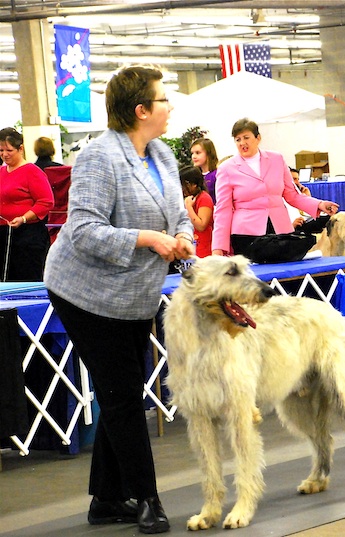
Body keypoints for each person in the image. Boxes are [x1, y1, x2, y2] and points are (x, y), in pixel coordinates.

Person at [43, 66, 194, 534]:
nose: (170, 106)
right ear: (141, 110)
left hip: (133, 293)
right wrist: (148, 238)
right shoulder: (97, 158)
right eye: (163, 99)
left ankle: (106, 500)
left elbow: (179, 215)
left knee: (121, 392)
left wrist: (182, 237)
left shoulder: (164, 156)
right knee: (125, 395)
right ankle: (147, 498)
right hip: (85, 291)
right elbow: (84, 231)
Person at [211, 118, 338, 257]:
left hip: (280, 230)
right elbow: (223, 210)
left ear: (258, 138)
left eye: (246, 138)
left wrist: (319, 204)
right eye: (238, 139)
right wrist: (218, 247)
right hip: (246, 234)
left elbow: (292, 194)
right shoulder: (226, 168)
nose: (242, 143)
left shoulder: (277, 159)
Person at [0, 127, 54, 281]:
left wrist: (23, 218)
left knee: (27, 276)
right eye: (1, 150)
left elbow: (46, 201)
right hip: (4, 235)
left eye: (9, 150)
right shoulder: (1, 172)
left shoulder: (32, 171)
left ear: (20, 149)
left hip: (28, 236)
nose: (4, 154)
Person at [180, 165, 214, 258]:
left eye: (183, 185)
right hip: (192, 247)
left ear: (193, 184)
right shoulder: (187, 199)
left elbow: (201, 225)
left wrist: (188, 207)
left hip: (204, 249)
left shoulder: (204, 198)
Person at [190, 137, 219, 203]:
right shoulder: (194, 176)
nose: (193, 156)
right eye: (192, 153)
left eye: (198, 153)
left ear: (208, 154)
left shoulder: (216, 175)